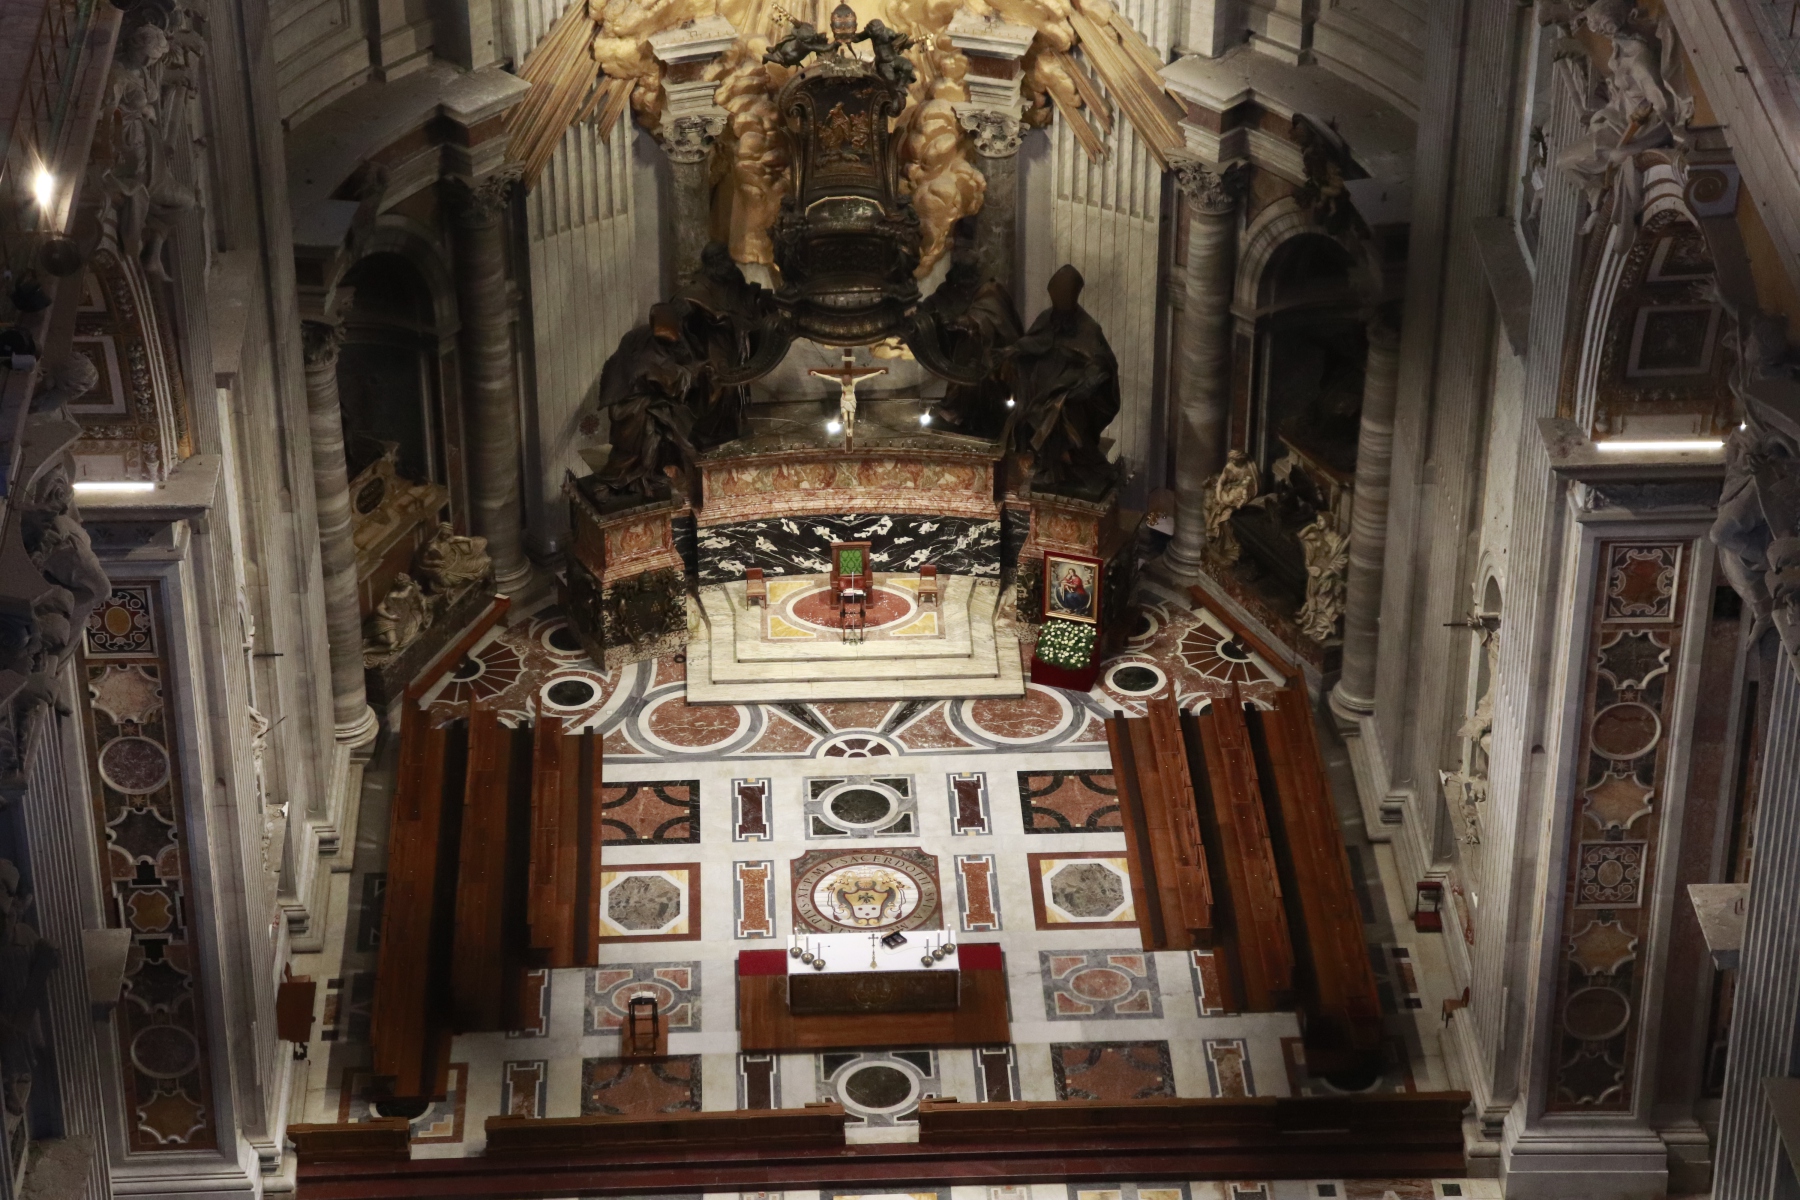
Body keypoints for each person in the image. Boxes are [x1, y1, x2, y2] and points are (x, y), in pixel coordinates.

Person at [1005, 265, 1121, 492]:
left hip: (1082, 395)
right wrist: (1014, 350)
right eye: (1057, 311)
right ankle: (1053, 466)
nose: (1058, 318)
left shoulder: (1088, 328)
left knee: (1061, 410)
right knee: (1041, 406)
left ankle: (1078, 464)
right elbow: (1034, 342)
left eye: (1064, 313)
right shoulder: (1048, 318)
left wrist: (1083, 384)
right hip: (1051, 386)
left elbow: (1103, 365)